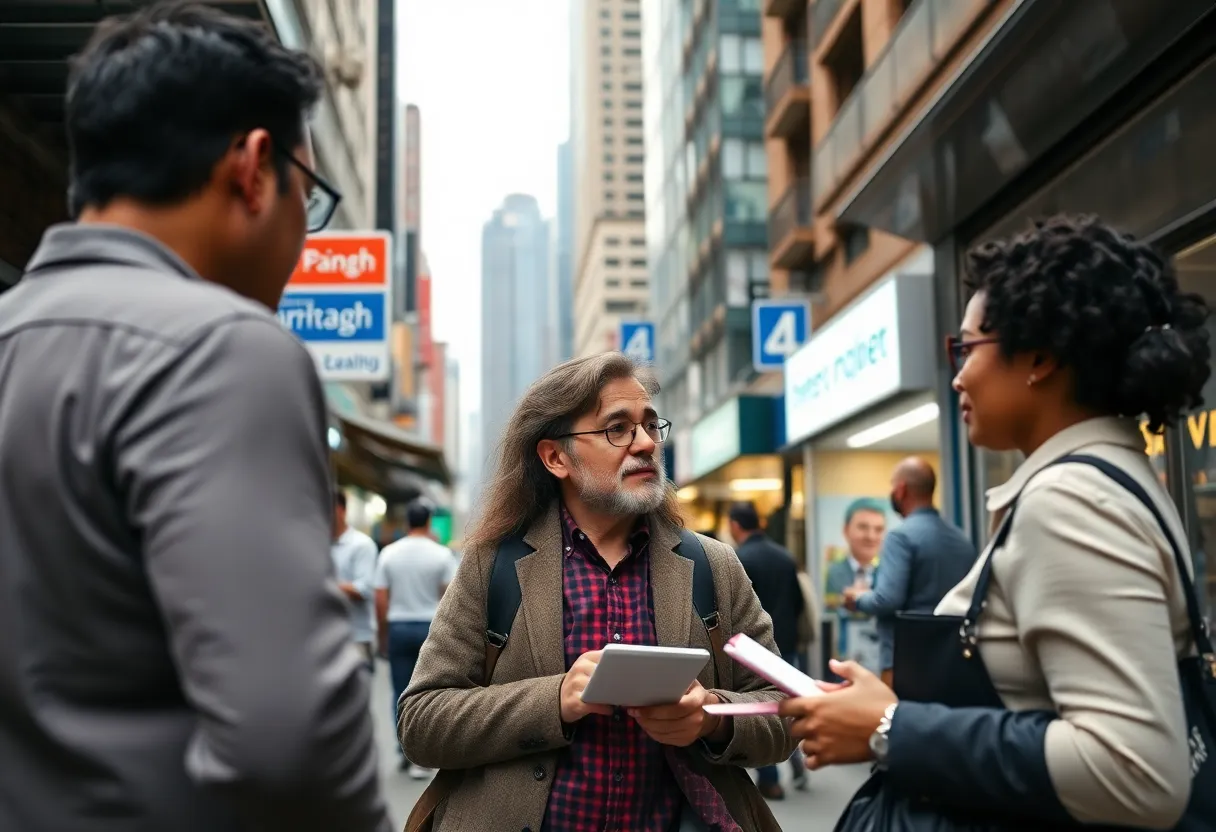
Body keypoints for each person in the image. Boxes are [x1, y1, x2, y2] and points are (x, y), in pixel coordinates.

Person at [0, 5, 390, 832]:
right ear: (253, 167)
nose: (304, 235)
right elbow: (292, 748)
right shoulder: (225, 349)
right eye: (309, 196)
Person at [780, 215, 1207, 828]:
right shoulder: (1112, 476)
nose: (957, 376)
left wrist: (891, 727)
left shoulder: (1070, 499)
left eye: (967, 348)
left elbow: (1136, 770)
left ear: (1038, 357)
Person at [399, 352, 796, 832]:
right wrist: (555, 699)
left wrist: (713, 717)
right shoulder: (493, 565)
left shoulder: (713, 566)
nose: (645, 443)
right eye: (617, 429)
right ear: (556, 458)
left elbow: (785, 708)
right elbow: (421, 721)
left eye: (650, 425)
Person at [842, 458, 977, 686]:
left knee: (894, 710)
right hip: (953, 660)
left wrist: (856, 599)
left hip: (905, 662)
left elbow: (887, 600)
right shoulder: (962, 541)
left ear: (901, 490)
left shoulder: (900, 537)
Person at [727, 502, 808, 800]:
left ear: (736, 525)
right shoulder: (784, 556)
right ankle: (796, 759)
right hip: (787, 641)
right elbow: (799, 602)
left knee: (760, 703)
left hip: (754, 647)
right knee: (788, 702)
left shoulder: (738, 559)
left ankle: (771, 779)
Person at [374, 499, 457, 779]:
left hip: (398, 626)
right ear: (429, 522)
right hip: (430, 629)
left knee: (400, 691)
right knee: (428, 692)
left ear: (407, 522)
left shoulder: (389, 554)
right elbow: (451, 597)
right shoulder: (441, 554)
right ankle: (422, 756)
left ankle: (404, 750)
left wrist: (383, 634)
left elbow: (380, 599)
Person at [823, 498, 885, 674]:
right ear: (846, 530)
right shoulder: (834, 572)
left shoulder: (889, 573)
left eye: (878, 529)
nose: (871, 536)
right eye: (863, 527)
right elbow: (830, 611)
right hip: (843, 662)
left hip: (881, 662)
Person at [332, 489, 380, 671]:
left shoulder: (362, 545)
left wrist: (323, 584)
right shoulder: (316, 543)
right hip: (323, 638)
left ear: (340, 510)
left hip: (357, 637)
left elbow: (364, 589)